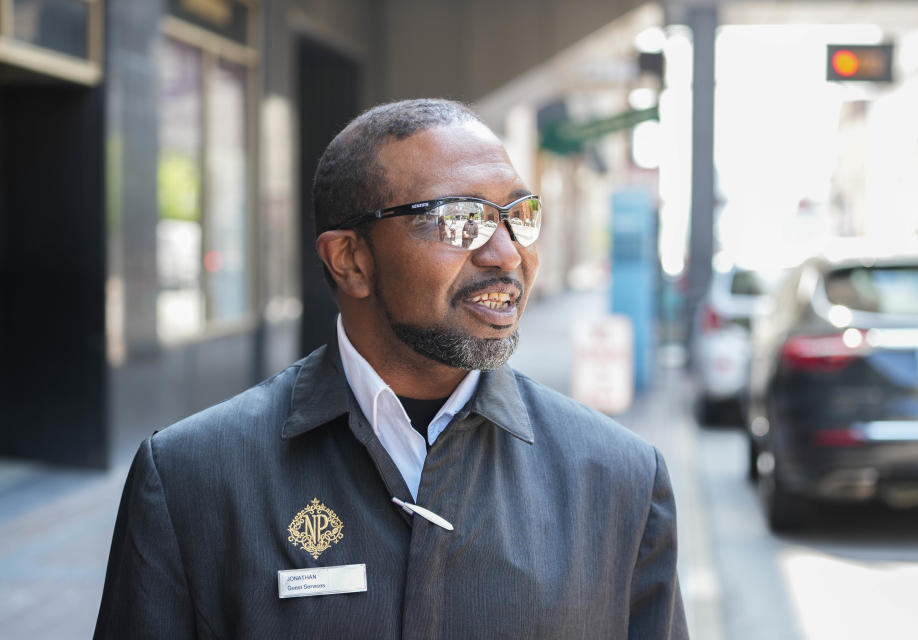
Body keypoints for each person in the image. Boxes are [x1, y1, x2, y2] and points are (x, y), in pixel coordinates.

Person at [95, 98, 687, 639]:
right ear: (350, 260)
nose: (507, 254)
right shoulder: (192, 479)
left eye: (518, 215)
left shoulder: (619, 481)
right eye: (461, 219)